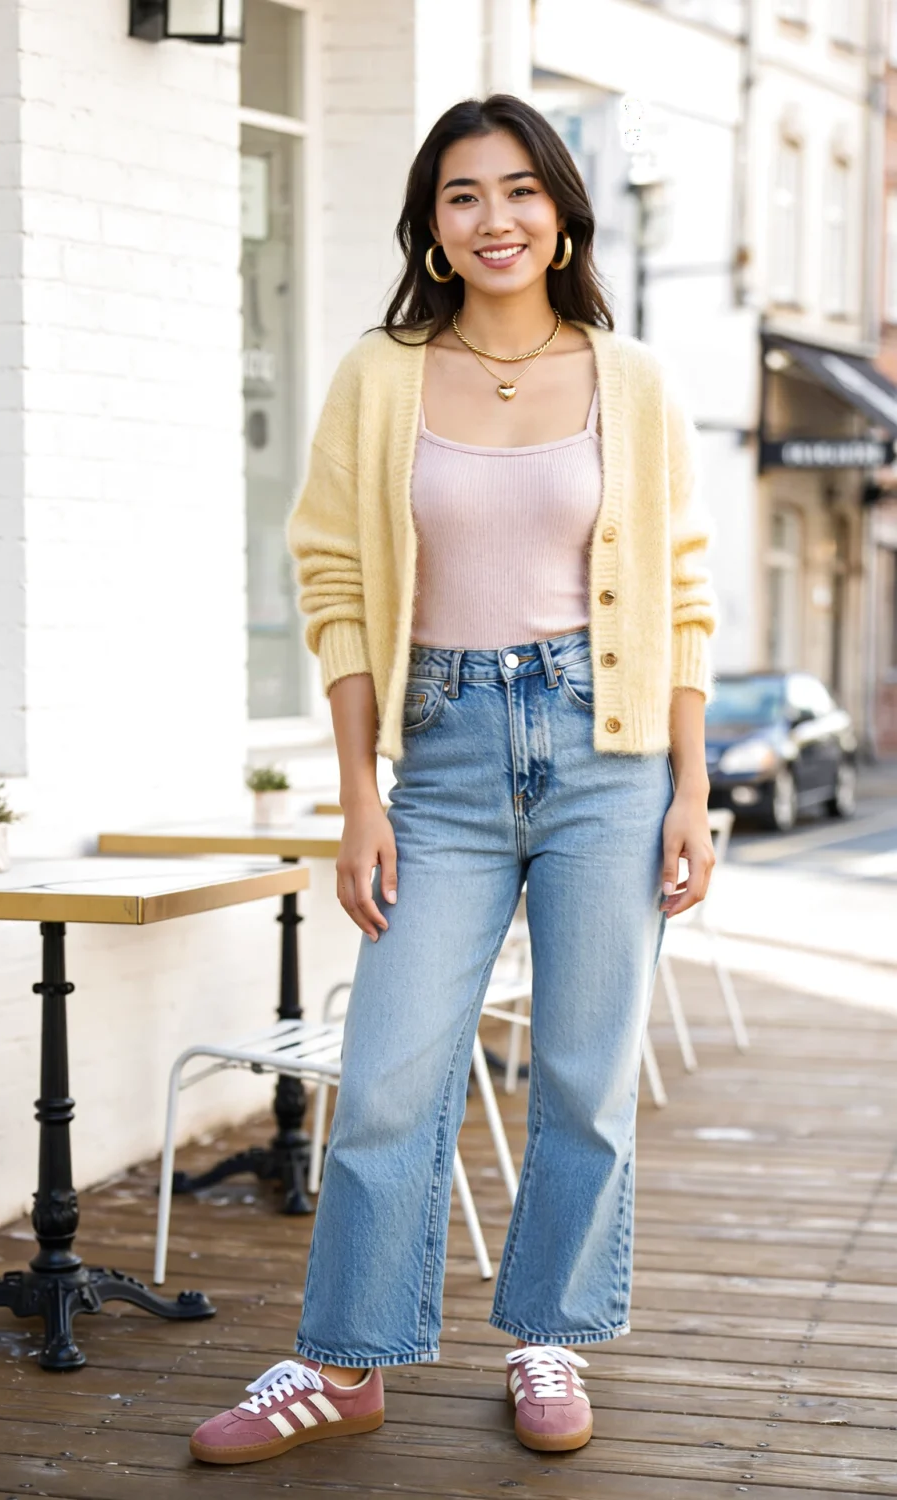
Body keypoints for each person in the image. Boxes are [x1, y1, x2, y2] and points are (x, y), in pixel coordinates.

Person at [190, 93, 717, 1467]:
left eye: (521, 190)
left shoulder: (632, 379)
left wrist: (690, 787)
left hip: (609, 754)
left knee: (586, 1077)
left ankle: (550, 1335)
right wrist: (359, 793)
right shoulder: (381, 375)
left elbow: (681, 590)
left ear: (563, 214)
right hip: (442, 752)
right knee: (388, 1074)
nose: (496, 219)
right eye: (464, 194)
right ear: (431, 223)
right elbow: (335, 581)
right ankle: (344, 1359)